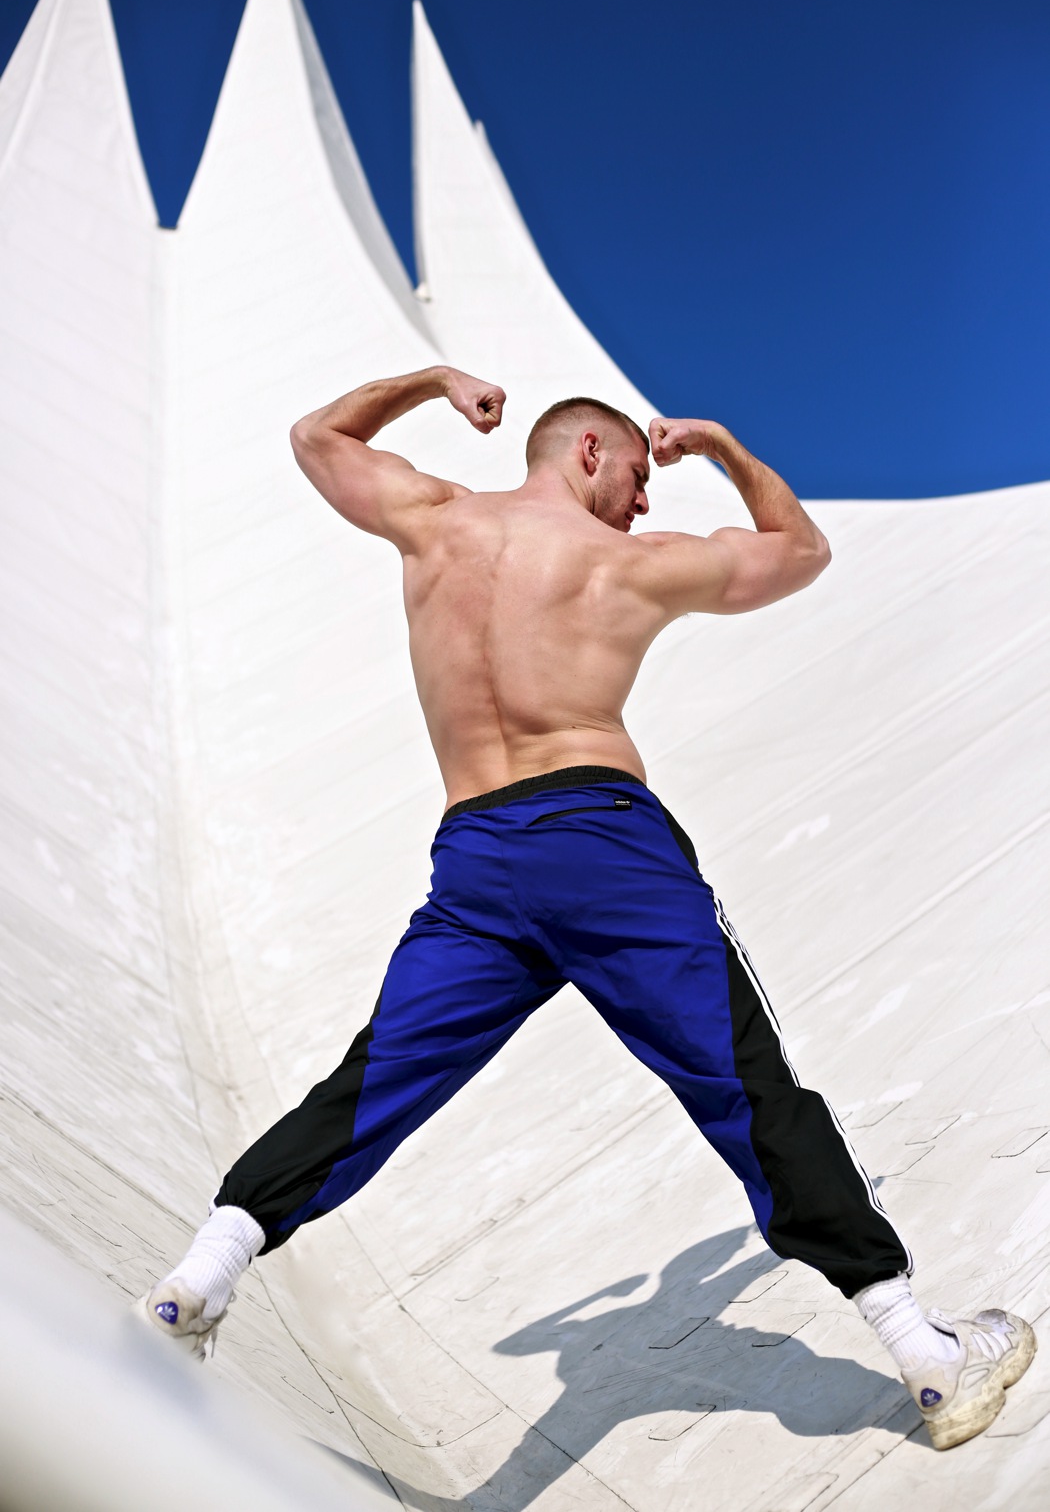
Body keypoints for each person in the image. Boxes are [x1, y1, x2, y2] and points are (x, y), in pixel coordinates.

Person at [138, 366, 1033, 1449]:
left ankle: (199, 1280)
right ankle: (926, 1352)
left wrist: (435, 384)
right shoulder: (630, 564)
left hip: (477, 860)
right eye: (640, 475)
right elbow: (801, 549)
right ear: (590, 452)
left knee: (372, 1084)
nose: (645, 501)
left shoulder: (433, 521)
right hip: (605, 846)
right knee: (746, 1088)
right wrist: (725, 449)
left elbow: (316, 436)